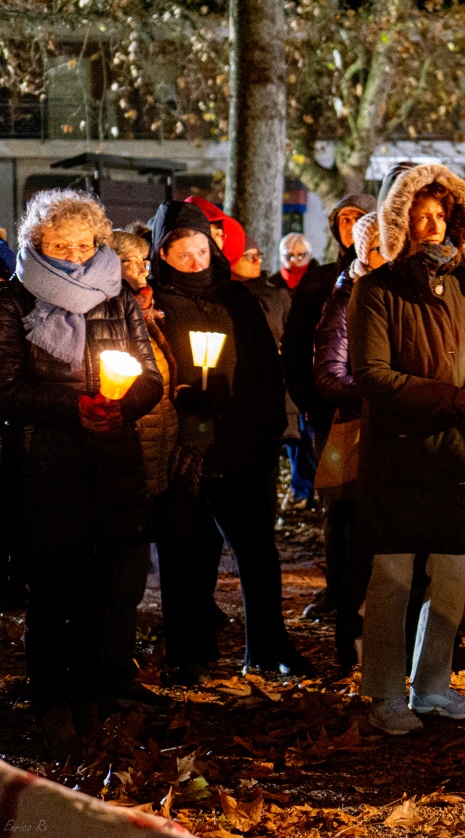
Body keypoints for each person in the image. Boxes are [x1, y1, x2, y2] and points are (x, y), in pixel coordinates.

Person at [0, 189, 163, 759]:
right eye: (58, 244)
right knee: (52, 594)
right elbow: (6, 388)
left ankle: (90, 698)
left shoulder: (118, 297)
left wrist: (121, 407)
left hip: (111, 466)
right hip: (44, 467)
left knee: (101, 592)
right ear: (35, 242)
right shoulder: (13, 301)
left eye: (82, 244)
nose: (72, 254)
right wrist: (76, 408)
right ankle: (53, 705)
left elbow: (149, 377)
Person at [347, 163, 465, 736]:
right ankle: (386, 692)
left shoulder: (463, 284)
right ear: (399, 222)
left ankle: (432, 684)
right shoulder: (376, 289)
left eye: (440, 215)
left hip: (456, 454)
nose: (432, 226)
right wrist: (448, 398)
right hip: (400, 453)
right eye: (420, 216)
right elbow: (371, 374)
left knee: (452, 574)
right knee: (393, 577)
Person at [148, 200, 311, 685]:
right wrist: (184, 397)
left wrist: (265, 429)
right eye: (183, 254)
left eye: (202, 250)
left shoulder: (237, 299)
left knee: (257, 553)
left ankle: (267, 645)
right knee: (187, 555)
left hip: (241, 447)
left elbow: (265, 371)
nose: (195, 261)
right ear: (163, 255)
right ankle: (190, 652)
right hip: (186, 452)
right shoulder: (154, 304)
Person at [280, 194, 376, 614]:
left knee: (372, 503)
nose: (350, 226)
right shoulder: (320, 280)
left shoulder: (387, 277)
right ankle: (338, 588)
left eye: (359, 218)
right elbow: (297, 344)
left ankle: (372, 589)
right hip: (329, 412)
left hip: (375, 409)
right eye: (344, 219)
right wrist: (309, 400)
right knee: (337, 503)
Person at [98, 231, 177, 710]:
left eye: (144, 263)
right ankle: (101, 676)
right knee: (113, 576)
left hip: (149, 460)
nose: (142, 272)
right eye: (131, 263)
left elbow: (157, 381)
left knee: (130, 576)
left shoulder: (146, 314)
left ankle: (118, 668)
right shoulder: (110, 314)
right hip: (122, 459)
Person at [314, 212, 387, 669]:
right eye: (380, 248)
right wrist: (378, 394)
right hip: (360, 432)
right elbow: (328, 373)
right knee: (359, 541)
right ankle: (351, 639)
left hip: (397, 434)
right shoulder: (346, 299)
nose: (389, 256)